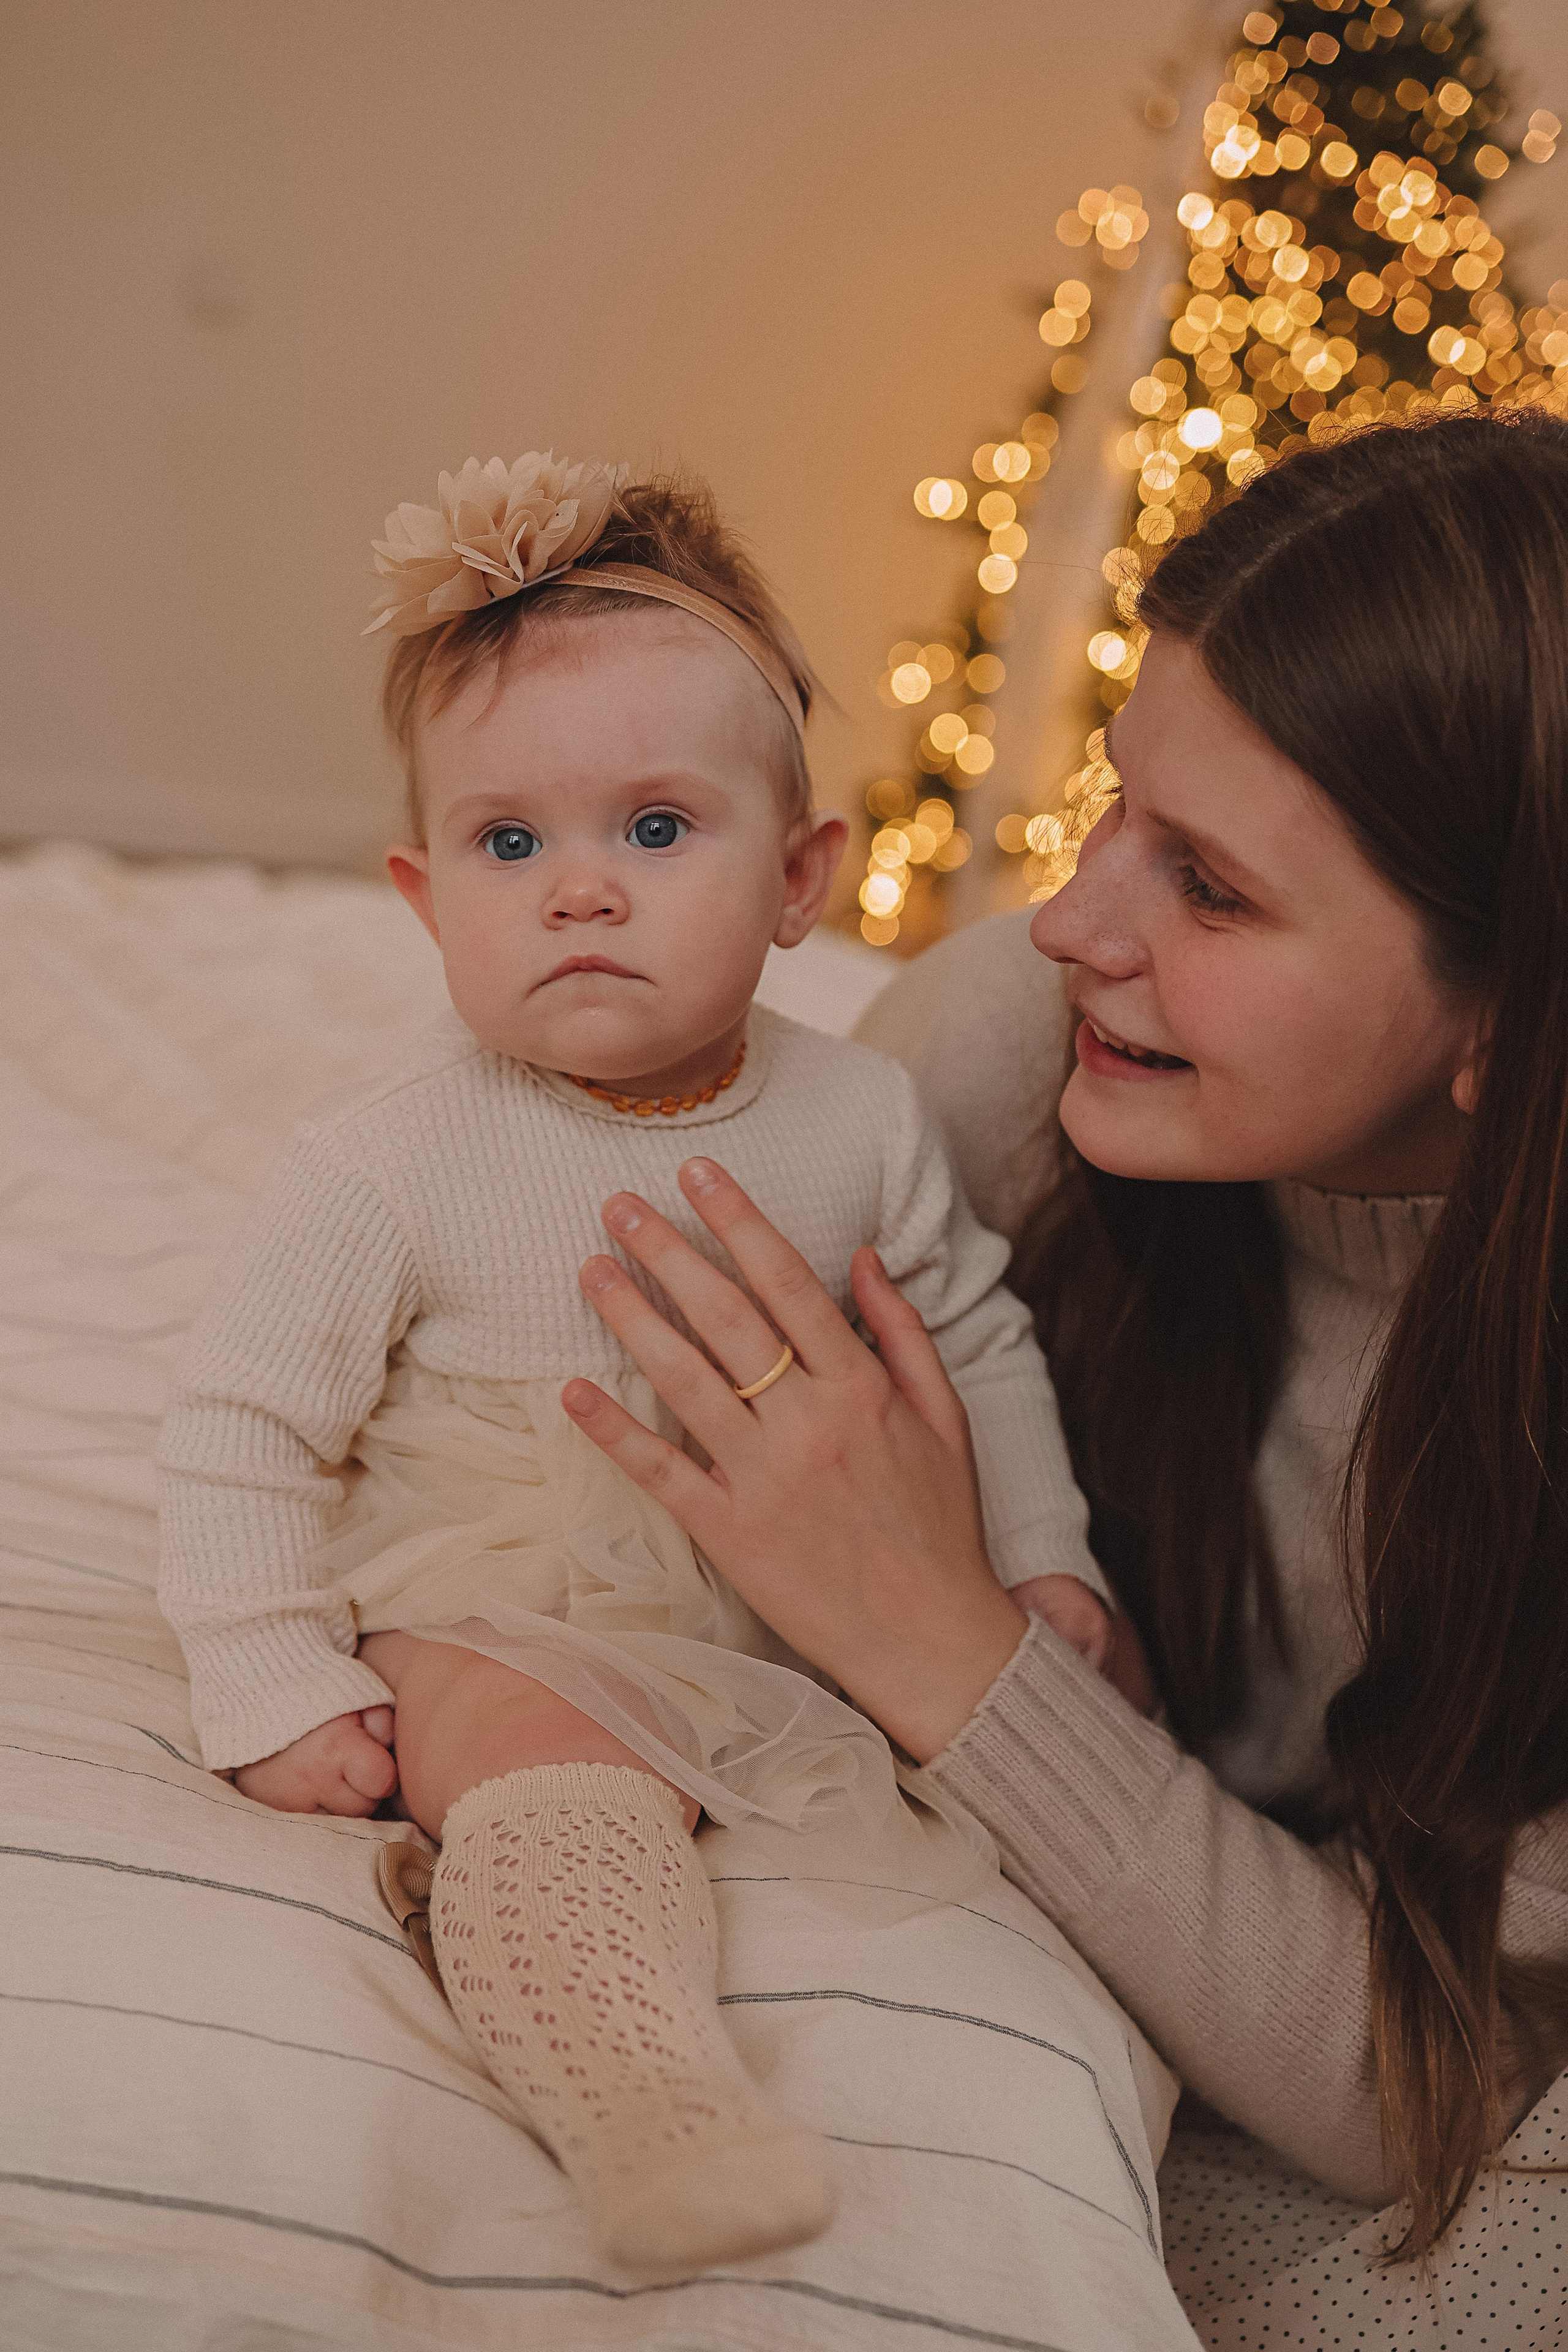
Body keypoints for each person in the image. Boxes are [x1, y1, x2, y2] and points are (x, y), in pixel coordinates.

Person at [557, 409, 1568, 2333]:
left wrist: (953, 1650)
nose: (1077, 923)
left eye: (1215, 890)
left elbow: (1420, 2082)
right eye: (1120, 802)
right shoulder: (1002, 1057)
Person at [154, 453, 1146, 2280]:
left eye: (659, 830)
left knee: (988, 1781)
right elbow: (244, 1430)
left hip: (801, 1574)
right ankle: (642, 2099)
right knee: (546, 1751)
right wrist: (264, 1670)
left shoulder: (861, 1115)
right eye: (508, 845)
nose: (579, 895)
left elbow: (970, 1343)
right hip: (499, 1579)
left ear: (802, 878)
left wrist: (1038, 1554)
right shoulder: (387, 1163)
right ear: (424, 893)